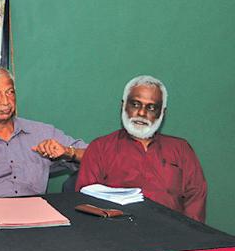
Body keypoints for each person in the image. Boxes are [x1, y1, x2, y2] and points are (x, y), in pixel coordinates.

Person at [75, 75, 207, 222]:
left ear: (162, 113)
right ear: (123, 106)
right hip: (117, 236)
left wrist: (189, 237)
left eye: (151, 107)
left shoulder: (181, 149)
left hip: (172, 236)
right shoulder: (100, 148)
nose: (142, 113)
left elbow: (196, 198)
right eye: (135, 104)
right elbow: (86, 203)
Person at [0, 66, 87, 198]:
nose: (5, 102)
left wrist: (68, 152)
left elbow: (98, 158)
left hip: (37, 212)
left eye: (10, 92)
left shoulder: (41, 132)